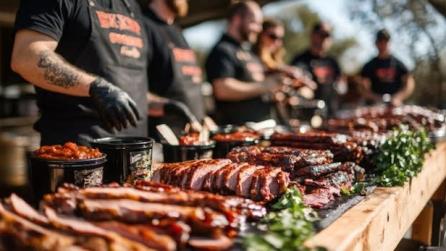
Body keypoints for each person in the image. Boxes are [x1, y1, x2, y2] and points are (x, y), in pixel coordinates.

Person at [11, 0, 148, 145]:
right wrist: (95, 86)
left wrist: (162, 105)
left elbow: (127, 87)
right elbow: (26, 57)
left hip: (137, 150)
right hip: (78, 151)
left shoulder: (132, 6)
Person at [205, 1, 281, 125]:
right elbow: (222, 89)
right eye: (254, 23)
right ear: (237, 19)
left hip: (264, 127)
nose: (259, 29)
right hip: (239, 134)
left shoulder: (249, 51)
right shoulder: (222, 50)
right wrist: (265, 86)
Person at [143, 0, 205, 136]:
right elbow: (135, 88)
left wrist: (203, 118)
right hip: (164, 138)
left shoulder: (177, 30)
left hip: (194, 133)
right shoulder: (143, 25)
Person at [290, 21, 345, 117]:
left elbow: (341, 84)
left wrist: (342, 86)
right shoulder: (300, 60)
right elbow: (292, 86)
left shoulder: (333, 61)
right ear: (312, 35)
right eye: (321, 34)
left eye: (327, 36)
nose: (324, 39)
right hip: (306, 115)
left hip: (331, 113)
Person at [360, 29, 415, 106]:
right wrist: (375, 98)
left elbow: (409, 83)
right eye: (380, 41)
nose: (383, 44)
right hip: (375, 105)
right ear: (376, 43)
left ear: (389, 43)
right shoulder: (369, 65)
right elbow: (362, 87)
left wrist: (398, 97)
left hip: (395, 105)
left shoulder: (399, 64)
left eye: (385, 42)